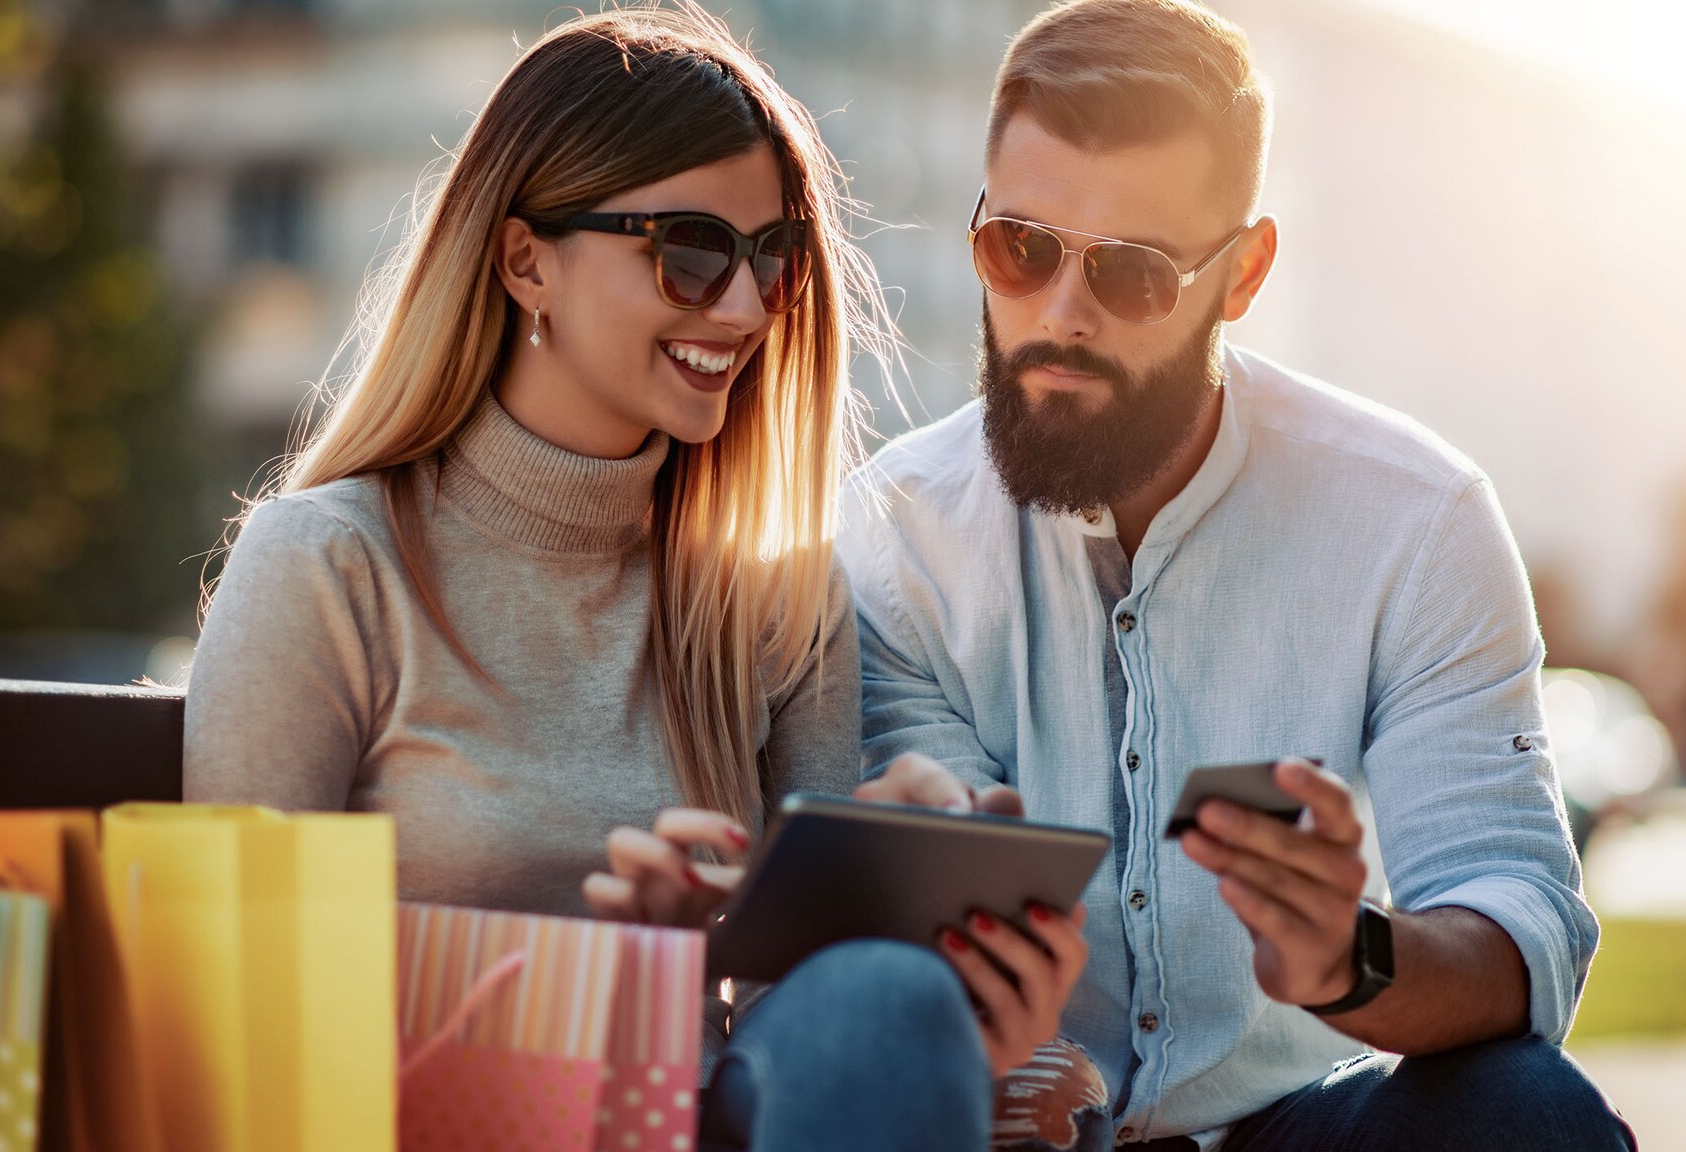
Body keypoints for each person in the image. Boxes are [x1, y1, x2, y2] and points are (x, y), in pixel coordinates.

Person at [182, 8, 1084, 1149]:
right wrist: (614, 982)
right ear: (526, 262)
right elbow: (231, 1007)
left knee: (884, 1003)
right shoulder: (327, 565)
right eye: (690, 252)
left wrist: (927, 972)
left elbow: (803, 1029)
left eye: (771, 258)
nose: (745, 309)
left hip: (694, 1123)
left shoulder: (779, 603)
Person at [838, 1, 1637, 1148]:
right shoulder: (895, 531)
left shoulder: (1414, 519)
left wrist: (1347, 960)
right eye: (1020, 248)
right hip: (1006, 1124)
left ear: (1243, 272)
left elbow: (1519, 925)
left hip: (1288, 1125)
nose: (1059, 316)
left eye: (1131, 274)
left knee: (1524, 1113)